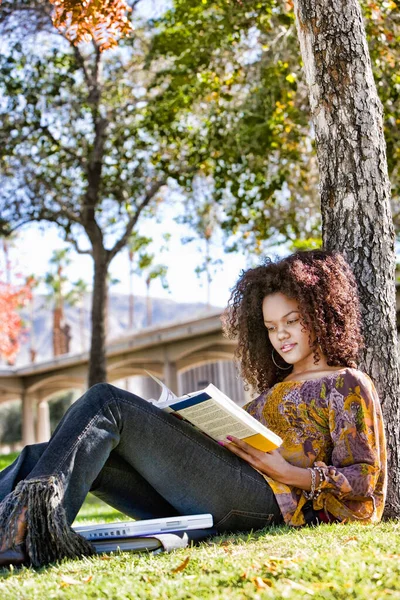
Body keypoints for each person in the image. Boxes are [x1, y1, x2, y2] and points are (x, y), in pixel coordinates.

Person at [0, 250, 387, 568]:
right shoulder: (273, 390)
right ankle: (11, 531)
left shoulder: (346, 382)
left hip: (271, 502)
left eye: (292, 321)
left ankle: (28, 534)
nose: (281, 335)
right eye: (270, 327)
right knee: (54, 454)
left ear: (321, 315)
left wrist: (289, 472)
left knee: (108, 401)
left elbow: (364, 478)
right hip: (221, 493)